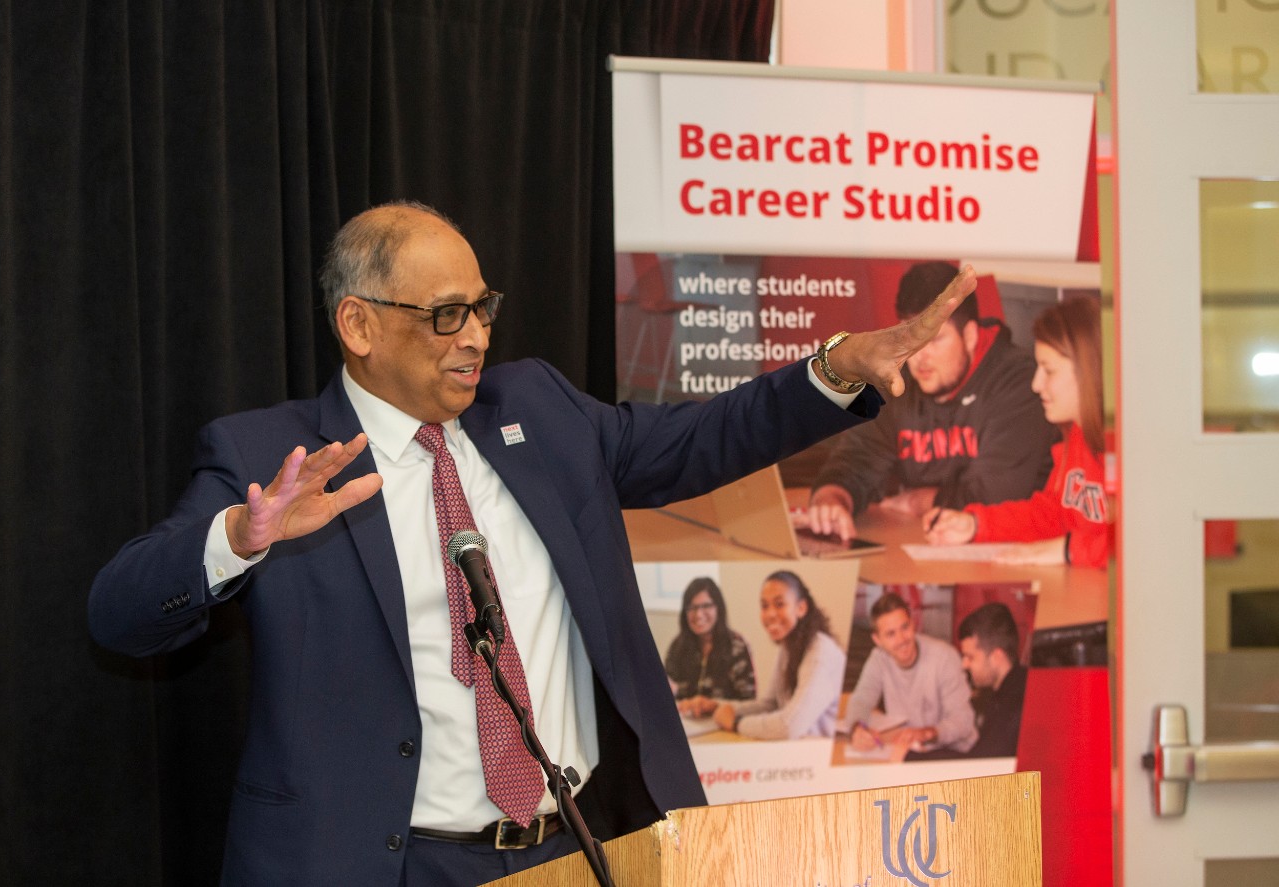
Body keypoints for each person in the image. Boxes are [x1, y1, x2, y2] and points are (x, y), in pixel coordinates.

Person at [88, 200, 976, 887]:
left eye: (482, 307)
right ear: (358, 326)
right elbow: (121, 612)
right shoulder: (268, 457)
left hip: (576, 847)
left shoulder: (538, 413)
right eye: (445, 316)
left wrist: (835, 368)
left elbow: (704, 436)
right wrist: (238, 537)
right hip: (388, 864)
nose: (476, 336)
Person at [807, 261, 1058, 540]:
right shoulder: (898, 380)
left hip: (1013, 555)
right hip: (926, 547)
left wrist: (918, 501)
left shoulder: (1021, 383)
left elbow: (997, 497)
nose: (919, 357)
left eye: (935, 340)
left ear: (971, 336)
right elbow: (857, 460)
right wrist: (832, 499)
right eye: (911, 340)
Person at [923, 296, 1111, 568]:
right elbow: (1053, 515)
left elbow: (1147, 543)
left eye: (1048, 371)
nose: (1036, 385)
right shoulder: (1075, 437)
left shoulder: (1134, 447)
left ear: (1089, 371)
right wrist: (976, 524)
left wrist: (1069, 549)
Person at [711, 571, 846, 739]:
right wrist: (724, 708)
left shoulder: (820, 652)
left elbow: (789, 727)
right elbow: (771, 704)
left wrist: (736, 723)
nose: (770, 614)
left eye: (779, 604)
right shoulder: (789, 646)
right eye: (764, 606)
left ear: (801, 608)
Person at [846, 592, 977, 754]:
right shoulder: (879, 658)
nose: (901, 639)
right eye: (891, 634)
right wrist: (857, 729)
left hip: (953, 753)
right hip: (911, 751)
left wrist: (926, 733)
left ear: (913, 624)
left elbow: (963, 721)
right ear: (877, 640)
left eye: (905, 627)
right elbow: (861, 699)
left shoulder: (944, 657)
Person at [665, 577, 755, 717]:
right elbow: (668, 696)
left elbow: (749, 701)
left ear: (718, 608)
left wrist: (711, 705)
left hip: (724, 727)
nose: (698, 614)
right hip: (686, 726)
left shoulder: (737, 646)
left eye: (706, 606)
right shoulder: (677, 647)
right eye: (692, 608)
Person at [957, 603, 1029, 758]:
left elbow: (979, 764)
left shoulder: (1015, 704)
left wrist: (910, 756)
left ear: (997, 657)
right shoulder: (1004, 692)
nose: (964, 664)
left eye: (970, 657)